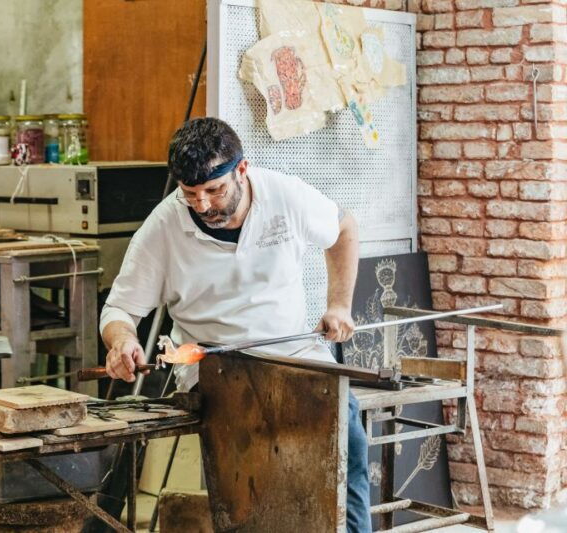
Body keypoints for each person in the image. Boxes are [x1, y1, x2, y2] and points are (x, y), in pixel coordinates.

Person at [100, 117, 370, 532]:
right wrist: (122, 342)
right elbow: (120, 310)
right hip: (213, 367)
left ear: (241, 170)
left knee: (345, 436)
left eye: (214, 190)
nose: (204, 205)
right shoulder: (164, 226)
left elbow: (344, 228)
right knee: (249, 472)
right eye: (191, 194)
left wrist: (339, 305)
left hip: (292, 353)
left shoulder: (284, 194)